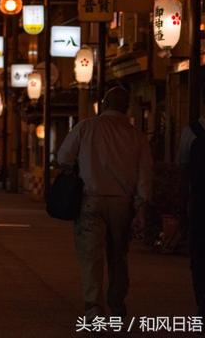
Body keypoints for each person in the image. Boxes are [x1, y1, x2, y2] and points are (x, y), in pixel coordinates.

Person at [57, 87, 152, 320]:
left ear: (104, 103)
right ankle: (117, 301)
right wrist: (141, 205)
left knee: (91, 255)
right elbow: (145, 174)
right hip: (122, 202)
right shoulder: (136, 135)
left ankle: (93, 305)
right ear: (126, 106)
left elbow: (63, 157)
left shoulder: (86, 127)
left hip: (91, 199)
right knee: (118, 253)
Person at [179, 79, 205, 331]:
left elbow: (182, 168)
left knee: (200, 256)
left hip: (202, 202)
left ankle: (203, 300)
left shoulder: (192, 131)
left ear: (204, 100)